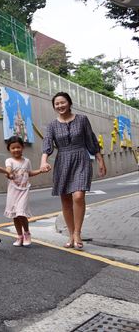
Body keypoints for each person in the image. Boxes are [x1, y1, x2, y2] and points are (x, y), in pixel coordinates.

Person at [40, 92, 106, 250]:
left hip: (81, 159)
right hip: (62, 161)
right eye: (57, 104)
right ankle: (70, 234)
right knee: (66, 199)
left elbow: (91, 139)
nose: (60, 106)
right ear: (54, 107)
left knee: (78, 196)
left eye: (63, 102)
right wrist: (43, 161)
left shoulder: (82, 119)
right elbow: (47, 144)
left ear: (69, 103)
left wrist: (100, 159)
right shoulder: (52, 125)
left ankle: (77, 232)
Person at [3, 136, 47, 247]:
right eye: (13, 148)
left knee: (21, 213)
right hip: (13, 191)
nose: (16, 150)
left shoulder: (27, 161)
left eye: (18, 147)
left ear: (22, 147)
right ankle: (19, 236)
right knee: (15, 215)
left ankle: (27, 233)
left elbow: (29, 173)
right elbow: (8, 169)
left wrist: (40, 171)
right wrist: (8, 173)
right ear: (9, 149)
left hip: (24, 190)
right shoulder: (9, 161)